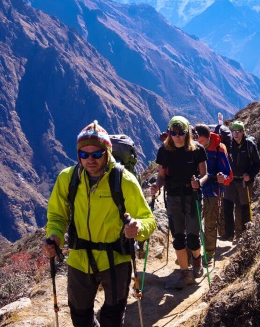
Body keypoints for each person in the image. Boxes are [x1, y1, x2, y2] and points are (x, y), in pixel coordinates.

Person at [43, 121, 156, 327]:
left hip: (116, 259)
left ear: (107, 152)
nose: (90, 160)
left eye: (96, 154)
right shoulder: (67, 179)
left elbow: (148, 219)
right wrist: (55, 238)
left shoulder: (124, 180)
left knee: (112, 318)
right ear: (78, 155)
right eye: (84, 155)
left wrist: (138, 228)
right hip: (79, 258)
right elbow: (57, 216)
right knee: (80, 316)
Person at [150, 116, 207, 289]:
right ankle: (185, 273)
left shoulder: (197, 150)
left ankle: (197, 260)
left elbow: (205, 174)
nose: (177, 136)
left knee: (193, 238)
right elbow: (161, 176)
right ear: (169, 133)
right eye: (173, 133)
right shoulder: (164, 151)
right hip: (174, 197)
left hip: (192, 196)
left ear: (187, 132)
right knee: (178, 238)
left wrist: (199, 183)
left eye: (181, 132)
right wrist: (156, 186)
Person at [194, 123, 232, 265]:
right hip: (195, 189)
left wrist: (224, 178)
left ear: (208, 137)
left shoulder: (218, 148)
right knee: (194, 222)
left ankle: (209, 253)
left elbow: (228, 172)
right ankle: (194, 253)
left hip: (213, 189)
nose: (199, 144)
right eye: (197, 140)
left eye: (201, 141)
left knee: (210, 222)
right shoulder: (193, 147)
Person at [222, 120, 260, 243]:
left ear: (243, 132)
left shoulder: (250, 145)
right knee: (227, 205)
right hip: (231, 180)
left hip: (244, 182)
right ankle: (229, 233)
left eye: (238, 131)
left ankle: (244, 235)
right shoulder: (229, 145)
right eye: (234, 131)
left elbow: (258, 164)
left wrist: (250, 175)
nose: (236, 134)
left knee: (243, 207)